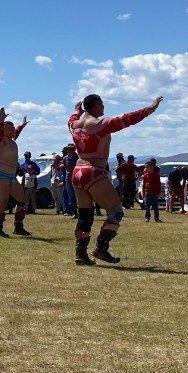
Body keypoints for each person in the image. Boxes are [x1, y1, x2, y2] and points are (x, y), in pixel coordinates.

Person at [69, 93, 164, 265]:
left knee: (85, 215)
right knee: (115, 211)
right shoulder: (101, 124)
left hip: (77, 172)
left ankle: (80, 254)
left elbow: (72, 119)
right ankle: (101, 248)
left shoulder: (74, 125)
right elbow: (128, 119)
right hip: (93, 171)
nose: (103, 107)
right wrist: (150, 109)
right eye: (101, 104)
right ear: (95, 106)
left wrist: (77, 111)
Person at [0, 107, 30, 237]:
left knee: (21, 200)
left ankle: (18, 227)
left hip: (12, 176)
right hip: (1, 175)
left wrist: (22, 125)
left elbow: (16, 132)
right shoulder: (0, 141)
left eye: (12, 129)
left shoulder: (12, 141)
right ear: (3, 130)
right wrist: (1, 120)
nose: (12, 131)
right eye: (8, 129)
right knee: (3, 201)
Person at [141, 158, 163, 223]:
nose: (146, 169)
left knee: (156, 206)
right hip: (147, 192)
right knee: (147, 206)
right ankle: (147, 217)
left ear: (152, 167)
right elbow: (144, 184)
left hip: (154, 192)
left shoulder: (156, 175)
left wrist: (159, 192)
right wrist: (143, 192)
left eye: (147, 167)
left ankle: (156, 218)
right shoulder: (145, 175)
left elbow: (158, 184)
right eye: (146, 168)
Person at [20, 151, 40, 215]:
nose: (26, 157)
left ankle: (32, 210)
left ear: (30, 156)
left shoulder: (33, 164)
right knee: (26, 199)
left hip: (31, 183)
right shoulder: (22, 164)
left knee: (32, 199)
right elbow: (20, 173)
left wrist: (31, 173)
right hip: (26, 184)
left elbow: (38, 171)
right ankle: (26, 210)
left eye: (27, 155)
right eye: (25, 155)